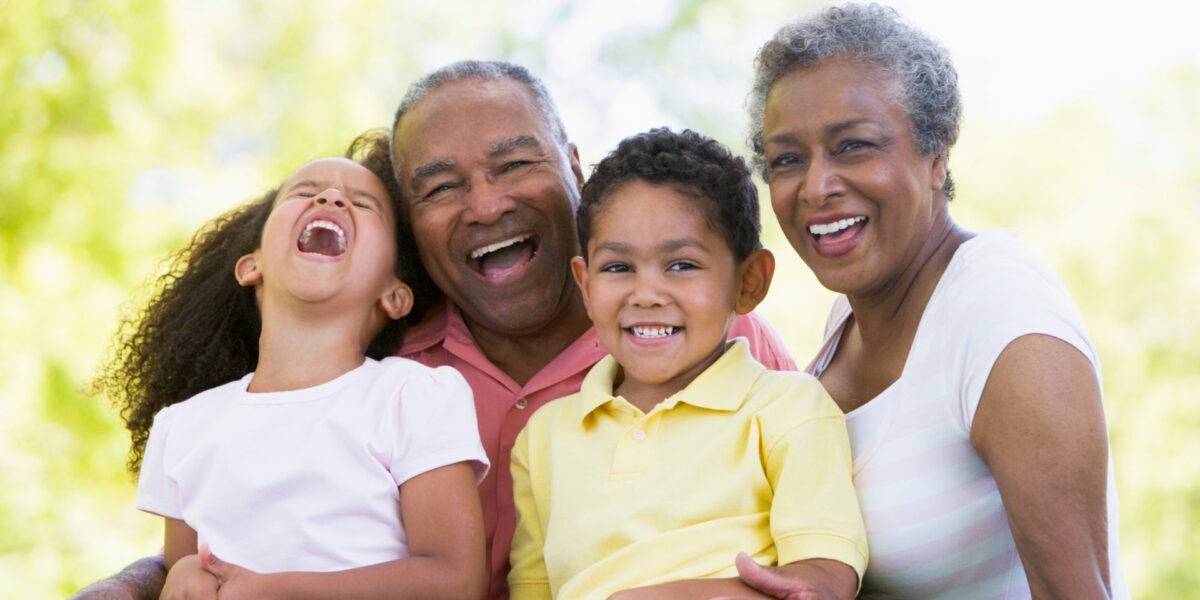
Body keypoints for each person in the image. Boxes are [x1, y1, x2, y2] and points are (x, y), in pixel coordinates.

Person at [75, 60, 796, 600]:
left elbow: (825, 523)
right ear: (410, 237)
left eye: (515, 163)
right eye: (440, 187)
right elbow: (229, 512)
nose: (485, 205)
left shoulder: (715, 339)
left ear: (577, 168)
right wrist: (141, 583)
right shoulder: (386, 362)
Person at [736, 4, 1130, 599]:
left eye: (854, 146)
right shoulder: (850, 314)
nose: (816, 186)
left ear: (935, 154)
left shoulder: (1001, 315)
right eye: (788, 158)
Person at [91, 132, 489, 599]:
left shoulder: (412, 396)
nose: (331, 196)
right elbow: (182, 564)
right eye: (304, 192)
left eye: (363, 204)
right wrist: (182, 576)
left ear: (394, 294)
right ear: (250, 266)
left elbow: (454, 581)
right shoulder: (182, 426)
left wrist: (273, 591)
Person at [507, 128, 867, 600]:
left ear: (749, 282)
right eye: (618, 268)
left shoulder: (789, 408)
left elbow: (822, 580)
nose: (647, 294)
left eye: (682, 265)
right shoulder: (543, 437)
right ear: (586, 284)